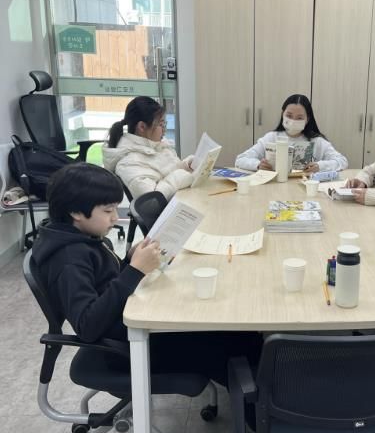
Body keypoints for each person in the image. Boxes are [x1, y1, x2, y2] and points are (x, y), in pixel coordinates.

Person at [31, 162, 261, 384]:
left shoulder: (82, 238)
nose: (115, 217)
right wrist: (134, 270)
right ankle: (256, 404)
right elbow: (88, 326)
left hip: (130, 325)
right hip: (125, 348)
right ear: (75, 212)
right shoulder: (68, 259)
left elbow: (104, 282)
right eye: (108, 210)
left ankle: (259, 391)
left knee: (236, 334)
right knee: (227, 344)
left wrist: (129, 260)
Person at [103, 96, 194, 199]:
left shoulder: (156, 145)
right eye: (161, 124)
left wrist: (186, 166)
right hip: (167, 208)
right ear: (142, 127)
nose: (164, 130)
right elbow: (152, 199)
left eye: (165, 124)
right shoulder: (128, 163)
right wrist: (180, 176)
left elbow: (169, 173)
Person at [235, 94, 348, 173]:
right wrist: (258, 165)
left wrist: (320, 166)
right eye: (289, 116)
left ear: (307, 119)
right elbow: (240, 159)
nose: (293, 121)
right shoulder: (271, 137)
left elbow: (342, 161)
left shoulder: (317, 141)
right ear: (282, 114)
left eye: (299, 118)